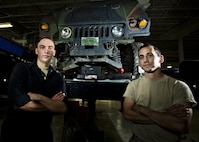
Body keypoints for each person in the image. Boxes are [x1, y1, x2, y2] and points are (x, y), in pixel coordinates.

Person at [122, 43, 197, 142]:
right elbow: (128, 114)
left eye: (150, 55)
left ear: (161, 59)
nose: (145, 60)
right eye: (141, 57)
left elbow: (181, 126)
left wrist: (142, 110)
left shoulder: (178, 87)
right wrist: (166, 115)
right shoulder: (133, 86)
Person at [0, 37, 67, 142]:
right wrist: (51, 104)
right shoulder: (21, 69)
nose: (46, 50)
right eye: (42, 47)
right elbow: (20, 103)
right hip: (16, 132)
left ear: (54, 52)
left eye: (50, 47)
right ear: (36, 51)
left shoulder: (57, 78)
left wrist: (38, 97)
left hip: (42, 133)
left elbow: (62, 107)